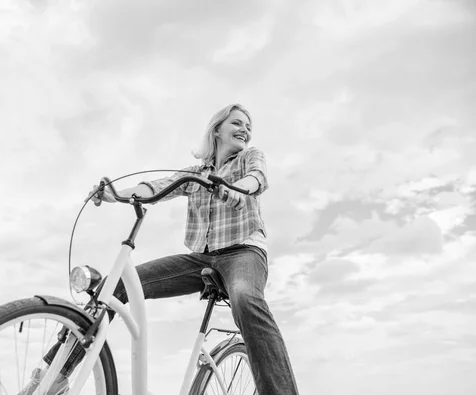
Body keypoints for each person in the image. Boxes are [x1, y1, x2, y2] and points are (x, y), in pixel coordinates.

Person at [18, 104, 299, 395]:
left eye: (248, 126)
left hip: (243, 252)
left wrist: (236, 189)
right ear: (217, 129)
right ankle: (55, 376)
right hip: (202, 257)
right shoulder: (196, 173)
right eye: (237, 123)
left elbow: (256, 179)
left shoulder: (250, 157)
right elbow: (157, 186)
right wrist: (115, 194)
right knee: (117, 285)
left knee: (244, 297)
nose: (245, 129)